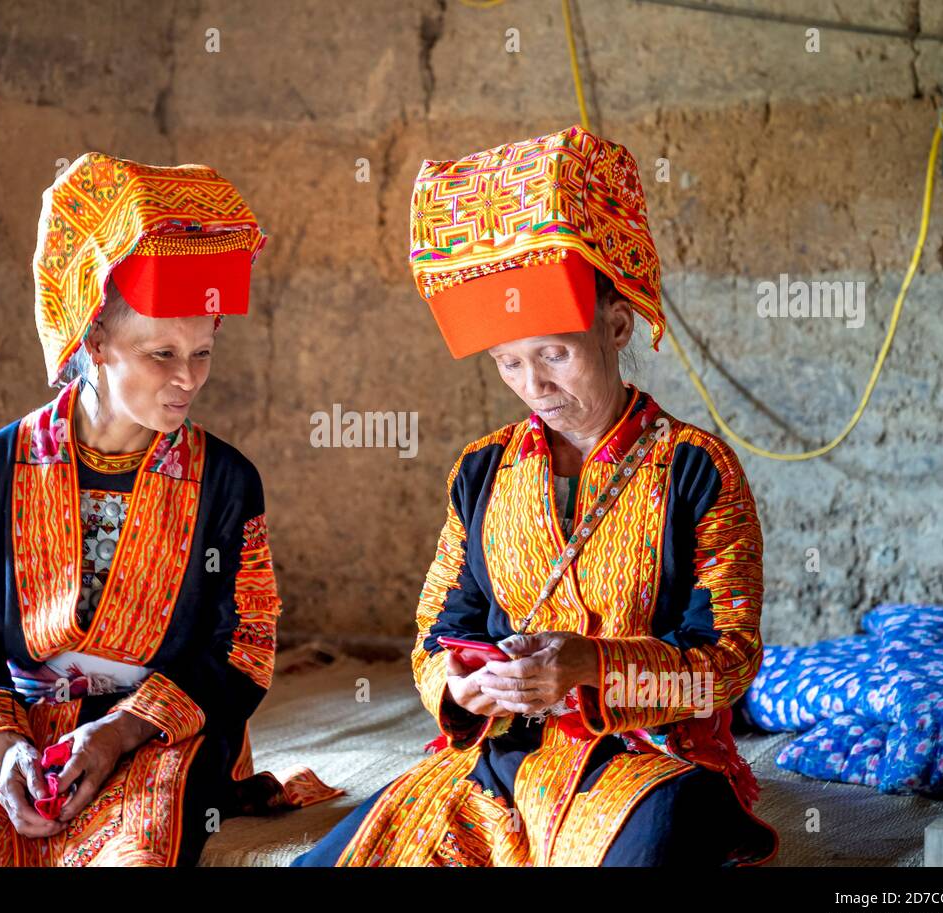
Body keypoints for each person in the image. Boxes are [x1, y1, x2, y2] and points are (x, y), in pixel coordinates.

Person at [294, 126, 778, 866]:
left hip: (650, 762)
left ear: (616, 326)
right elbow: (439, 630)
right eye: (509, 363)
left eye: (554, 353)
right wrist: (460, 685)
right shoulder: (483, 469)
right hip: (500, 758)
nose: (535, 386)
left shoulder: (694, 468)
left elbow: (729, 659)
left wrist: (591, 666)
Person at [0, 153, 338, 867]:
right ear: (94, 342)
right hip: (16, 736)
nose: (188, 379)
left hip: (159, 736)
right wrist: (8, 750)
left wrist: (119, 731)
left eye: (202, 352)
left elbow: (242, 648)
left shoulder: (225, 481)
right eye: (161, 354)